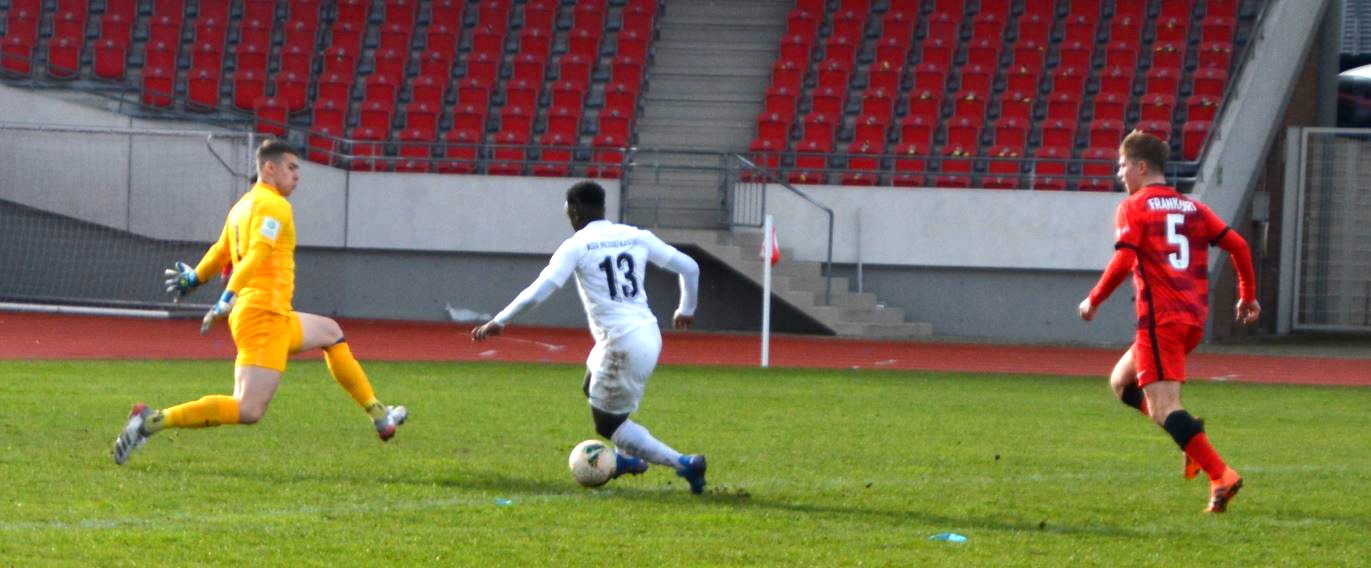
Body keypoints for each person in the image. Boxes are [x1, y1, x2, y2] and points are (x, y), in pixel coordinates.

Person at [113, 139, 407, 465]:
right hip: (263, 315)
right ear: (269, 168)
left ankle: (379, 415)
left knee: (330, 332)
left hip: (271, 314)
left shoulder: (242, 206)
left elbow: (220, 252)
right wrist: (226, 297)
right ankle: (151, 421)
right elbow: (256, 254)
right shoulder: (275, 205)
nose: (297, 175)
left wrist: (195, 278)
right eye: (291, 168)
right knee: (248, 409)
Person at [471, 181, 708, 493]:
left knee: (608, 424)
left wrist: (500, 320)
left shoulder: (577, 245)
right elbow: (690, 267)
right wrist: (686, 309)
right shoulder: (635, 235)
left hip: (621, 342)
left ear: (574, 210)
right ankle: (629, 460)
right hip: (647, 332)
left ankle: (685, 464)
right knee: (590, 384)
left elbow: (541, 289)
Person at [1078, 131, 1260, 513]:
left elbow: (1124, 260)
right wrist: (1247, 295)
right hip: (1191, 319)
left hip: (1161, 320)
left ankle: (1220, 475)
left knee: (1164, 408)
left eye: (1123, 165)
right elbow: (1239, 245)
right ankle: (1190, 438)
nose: (1120, 173)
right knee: (1121, 383)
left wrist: (1093, 299)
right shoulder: (1193, 207)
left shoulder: (1134, 206)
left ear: (1142, 167)